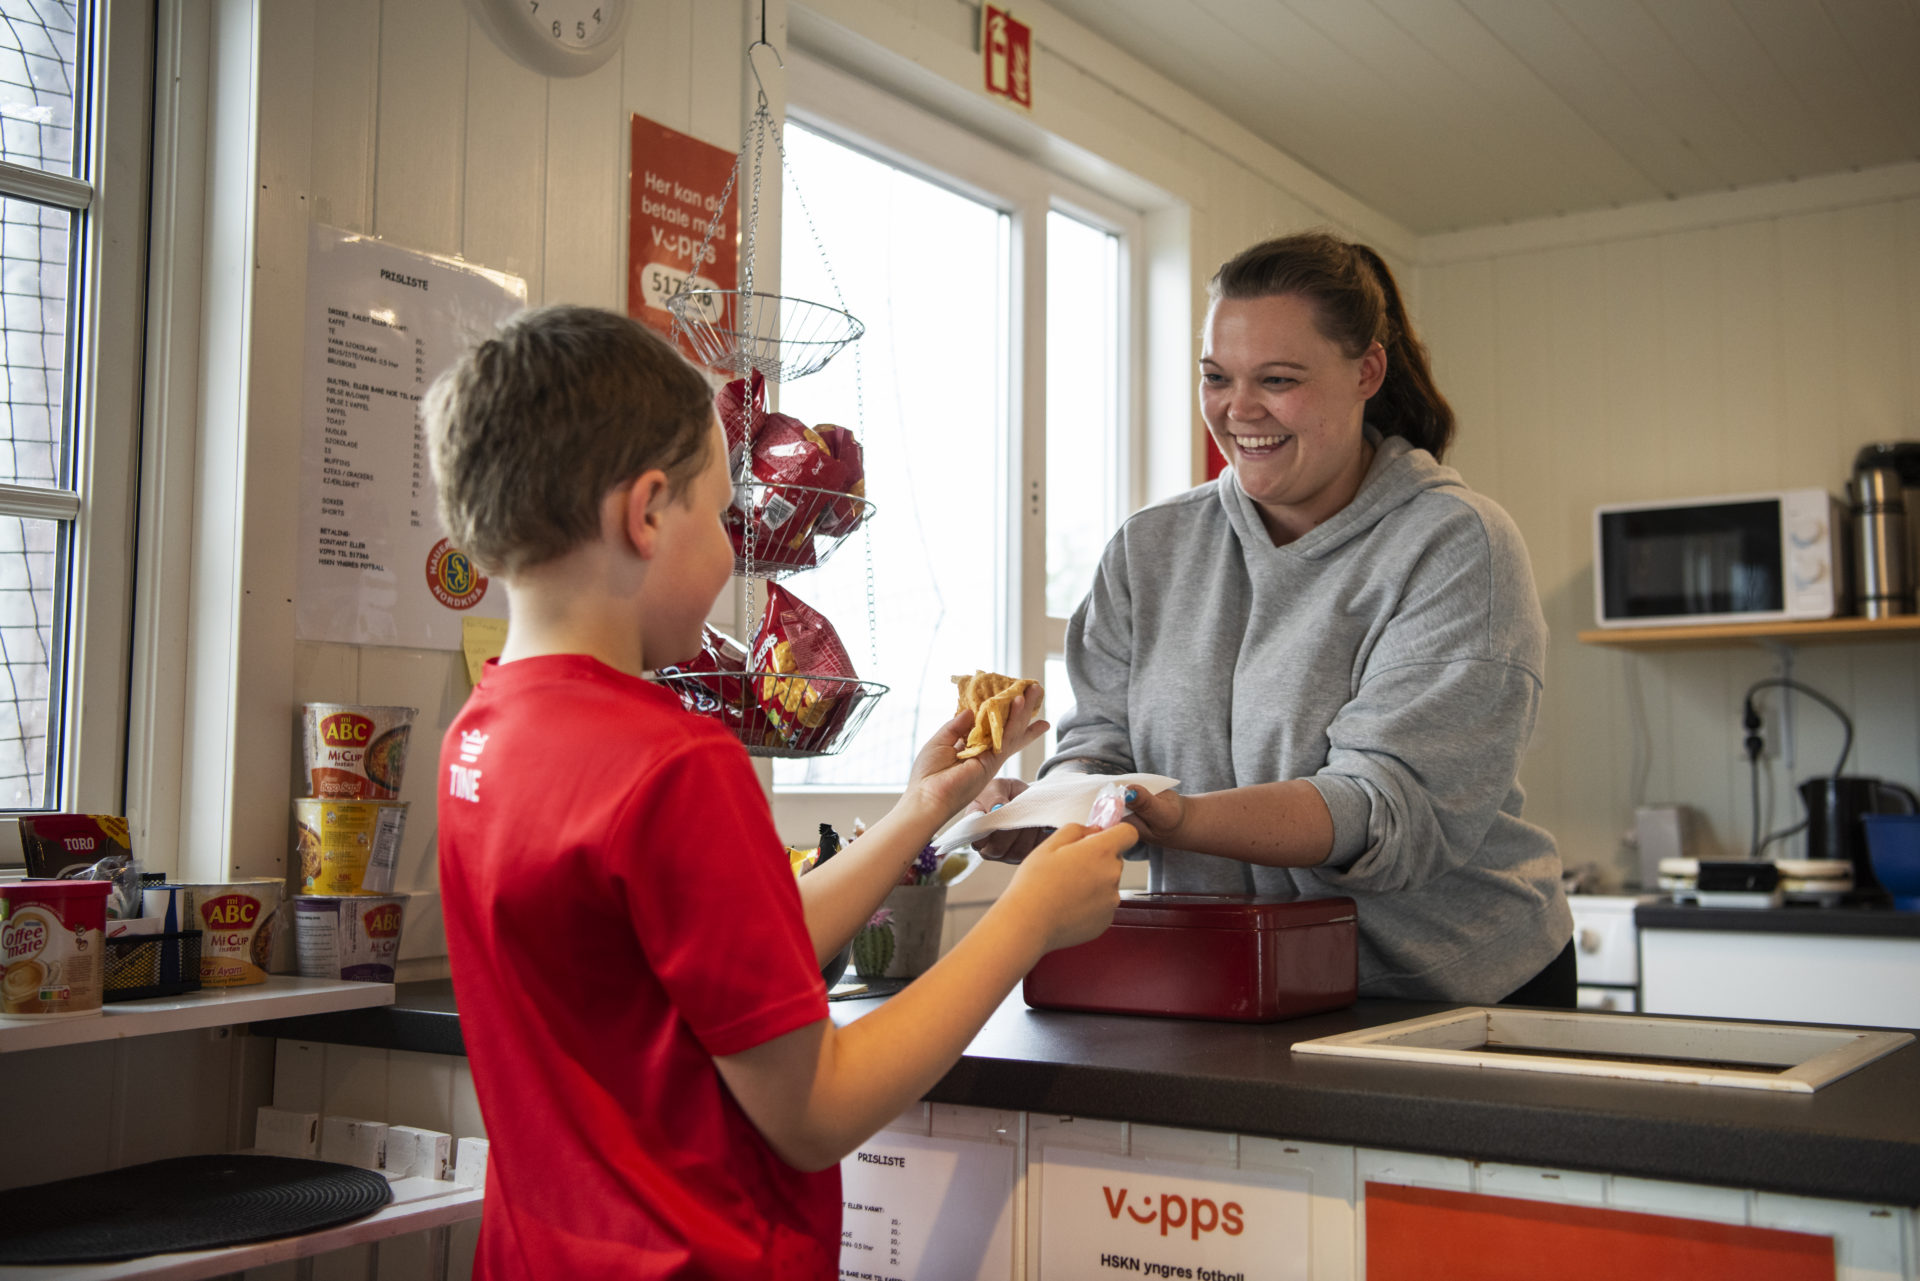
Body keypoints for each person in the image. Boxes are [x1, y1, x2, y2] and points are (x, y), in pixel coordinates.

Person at [425, 305, 1137, 1280]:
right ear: (644, 514)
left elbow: (725, 953)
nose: (731, 554)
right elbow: (815, 1112)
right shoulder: (675, 762)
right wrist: (1027, 919)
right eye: (721, 519)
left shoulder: (484, 732)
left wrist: (921, 812)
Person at [978, 230, 1572, 1007]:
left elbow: (1384, 805)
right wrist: (1052, 810)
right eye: (1216, 377)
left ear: (1367, 372)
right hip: (1226, 979)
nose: (1239, 409)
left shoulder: (1456, 544)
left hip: (1448, 990)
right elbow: (1098, 745)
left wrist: (1168, 815)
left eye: (1279, 379)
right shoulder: (1150, 549)